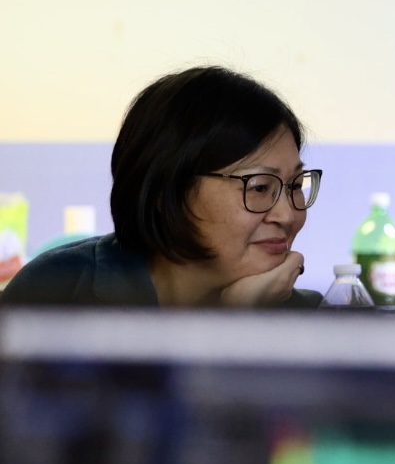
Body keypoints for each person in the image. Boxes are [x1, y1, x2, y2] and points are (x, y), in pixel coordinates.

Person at [2, 65, 322, 308]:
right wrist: (232, 324)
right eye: (260, 187)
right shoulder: (60, 291)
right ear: (167, 189)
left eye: (295, 185)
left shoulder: (308, 320)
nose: (287, 214)